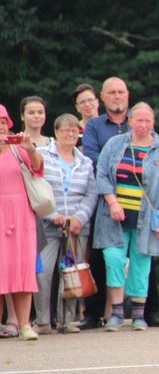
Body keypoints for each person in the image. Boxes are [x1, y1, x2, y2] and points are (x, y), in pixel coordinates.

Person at [94, 103, 159, 331]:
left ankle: (139, 315)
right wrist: (112, 202)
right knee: (113, 259)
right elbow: (101, 175)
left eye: (147, 121)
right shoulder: (114, 144)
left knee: (142, 263)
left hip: (147, 217)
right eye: (139, 120)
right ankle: (117, 313)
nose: (143, 125)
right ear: (130, 121)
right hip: (113, 215)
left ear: (153, 123)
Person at [35, 114, 98, 334]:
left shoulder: (85, 162)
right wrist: (52, 214)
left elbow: (91, 193)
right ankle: (43, 320)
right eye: (65, 130)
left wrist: (80, 217)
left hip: (76, 227)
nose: (70, 134)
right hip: (48, 225)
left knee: (73, 273)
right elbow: (37, 187)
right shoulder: (43, 155)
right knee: (42, 273)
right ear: (56, 132)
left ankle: (67, 319)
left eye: (74, 131)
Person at [79, 76, 131, 330]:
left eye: (121, 91)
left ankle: (148, 310)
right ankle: (93, 312)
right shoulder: (95, 127)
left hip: (137, 198)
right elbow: (90, 156)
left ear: (127, 94)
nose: (117, 96)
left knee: (142, 255)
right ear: (103, 97)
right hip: (104, 198)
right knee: (99, 257)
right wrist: (123, 168)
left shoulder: (139, 121)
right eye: (112, 92)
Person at [0, 104, 44, 340]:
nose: (0, 127)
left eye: (3, 122)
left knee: (22, 268)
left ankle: (25, 324)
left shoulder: (18, 149)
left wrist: (31, 149)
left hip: (20, 215)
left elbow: (38, 169)